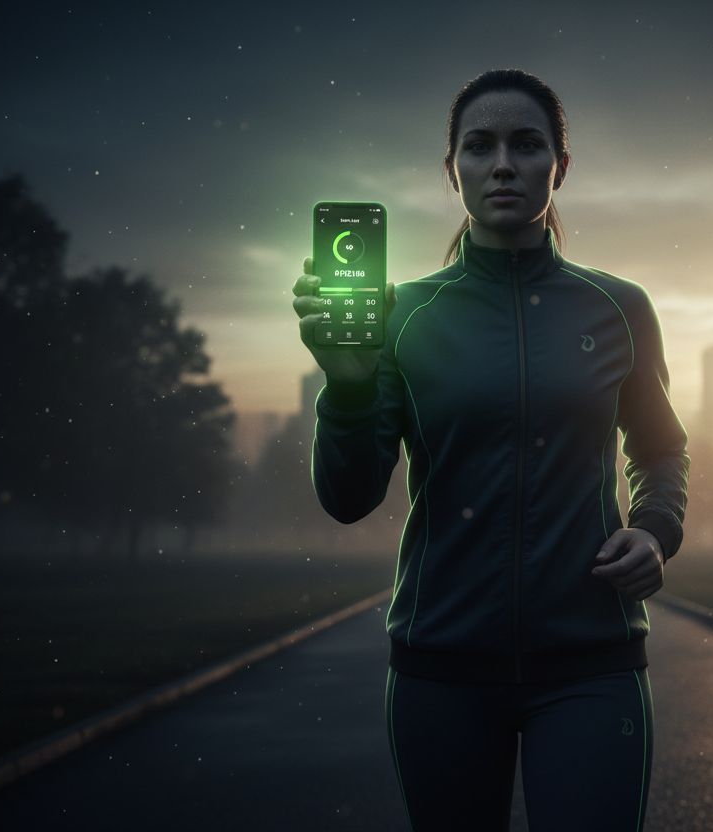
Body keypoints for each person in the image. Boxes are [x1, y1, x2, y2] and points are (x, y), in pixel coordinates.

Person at [293, 68, 690, 832]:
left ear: (559, 167)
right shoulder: (399, 314)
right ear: (453, 171)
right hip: (441, 670)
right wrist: (344, 387)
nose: (502, 163)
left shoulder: (620, 307)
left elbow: (661, 449)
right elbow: (347, 499)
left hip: (591, 664)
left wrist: (655, 527)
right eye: (479, 146)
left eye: (525, 144)